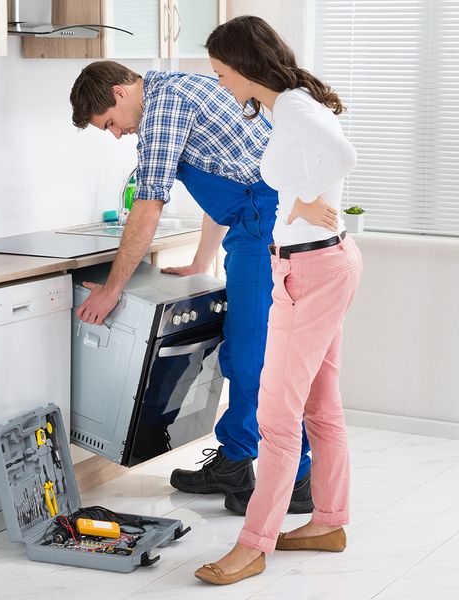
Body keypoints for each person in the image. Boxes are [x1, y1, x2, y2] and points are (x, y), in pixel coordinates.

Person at [69, 60, 338, 515]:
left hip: (263, 230)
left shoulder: (162, 108)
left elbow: (148, 204)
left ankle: (296, 477)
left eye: (110, 124)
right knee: (248, 353)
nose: (116, 134)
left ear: (119, 92)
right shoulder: (180, 86)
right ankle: (235, 459)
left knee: (255, 359)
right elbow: (229, 176)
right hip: (253, 224)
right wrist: (200, 259)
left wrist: (112, 290)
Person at [192, 16, 363, 585]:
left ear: (243, 65)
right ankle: (328, 522)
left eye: (221, 72)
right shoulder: (288, 103)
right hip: (321, 262)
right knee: (319, 407)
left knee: (277, 417)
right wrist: (300, 201)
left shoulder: (291, 106)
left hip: (310, 271)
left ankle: (254, 544)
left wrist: (300, 204)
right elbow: (314, 167)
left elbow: (342, 156)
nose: (220, 83)